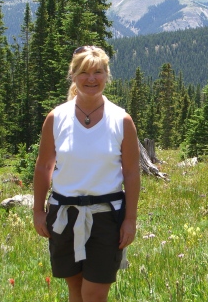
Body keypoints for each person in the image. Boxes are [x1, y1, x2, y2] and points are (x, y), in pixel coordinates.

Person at [33, 45, 140, 302]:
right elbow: (44, 166)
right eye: (84, 72)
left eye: (98, 72)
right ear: (73, 75)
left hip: (106, 217)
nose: (91, 79)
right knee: (75, 289)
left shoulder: (121, 120)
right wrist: (38, 210)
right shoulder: (56, 118)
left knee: (94, 293)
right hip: (63, 215)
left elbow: (132, 172)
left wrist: (130, 219)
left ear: (107, 75)